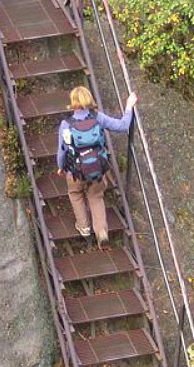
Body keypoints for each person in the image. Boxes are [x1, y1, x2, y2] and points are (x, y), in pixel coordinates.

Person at [57, 86, 138, 249]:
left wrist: (61, 167)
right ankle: (102, 233)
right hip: (98, 169)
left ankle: (84, 227)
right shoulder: (98, 117)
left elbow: (62, 150)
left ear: (73, 102)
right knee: (96, 197)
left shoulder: (66, 124)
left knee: (75, 193)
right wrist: (129, 105)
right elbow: (123, 126)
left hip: (76, 172)